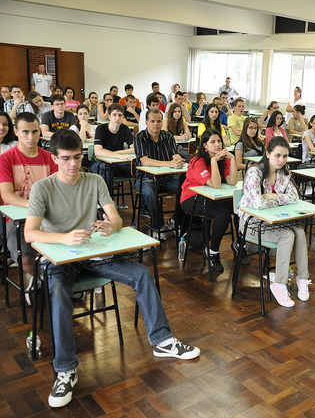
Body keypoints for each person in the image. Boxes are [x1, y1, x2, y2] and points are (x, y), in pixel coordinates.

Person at [24, 130, 199, 409]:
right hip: (60, 258)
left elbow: (116, 218)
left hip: (93, 254)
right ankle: (65, 369)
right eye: (66, 159)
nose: (73, 164)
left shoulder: (93, 180)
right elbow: (31, 234)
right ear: (55, 158)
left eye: (78, 157)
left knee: (141, 274)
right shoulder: (42, 188)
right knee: (58, 293)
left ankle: (162, 340)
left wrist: (111, 226)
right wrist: (63, 237)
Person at [236, 136, 311, 308]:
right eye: (277, 155)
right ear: (268, 154)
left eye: (285, 156)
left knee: (299, 232)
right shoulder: (254, 172)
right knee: (286, 235)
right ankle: (279, 283)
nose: (281, 160)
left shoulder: (284, 172)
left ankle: (303, 278)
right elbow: (257, 203)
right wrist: (277, 199)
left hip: (274, 220)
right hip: (251, 223)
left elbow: (294, 197)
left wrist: (271, 196)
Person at [0, 112, 58, 278]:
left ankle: (55, 280)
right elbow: (7, 196)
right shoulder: (6, 159)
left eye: (35, 131)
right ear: (16, 132)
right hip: (17, 219)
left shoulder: (50, 158)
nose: (31, 137)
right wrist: (34, 205)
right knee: (24, 258)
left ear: (40, 131)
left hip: (49, 215)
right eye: (25, 132)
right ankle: (39, 282)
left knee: (65, 248)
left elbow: (57, 191)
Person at [180, 129, 238, 271]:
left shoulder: (222, 160)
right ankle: (213, 252)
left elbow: (232, 182)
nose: (217, 145)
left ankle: (240, 244)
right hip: (190, 199)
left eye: (219, 141)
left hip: (211, 197)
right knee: (223, 214)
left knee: (239, 206)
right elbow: (216, 184)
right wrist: (213, 160)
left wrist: (233, 159)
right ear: (205, 146)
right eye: (212, 142)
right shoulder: (197, 161)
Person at [134, 109, 184, 240]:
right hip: (145, 178)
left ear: (162, 122)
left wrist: (178, 160)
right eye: (152, 121)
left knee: (186, 188)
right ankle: (158, 227)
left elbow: (175, 154)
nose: (156, 124)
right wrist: (169, 164)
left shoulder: (168, 136)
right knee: (150, 193)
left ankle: (175, 220)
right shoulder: (140, 137)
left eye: (159, 121)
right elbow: (145, 161)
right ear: (146, 123)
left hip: (167, 178)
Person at [92, 103, 134, 196]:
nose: (117, 118)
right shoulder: (101, 128)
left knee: (137, 167)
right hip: (101, 163)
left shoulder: (124, 128)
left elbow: (134, 149)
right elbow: (98, 152)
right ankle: (108, 204)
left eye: (120, 115)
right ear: (109, 116)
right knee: (105, 169)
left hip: (118, 163)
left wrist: (113, 153)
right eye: (114, 115)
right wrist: (118, 155)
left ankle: (143, 208)